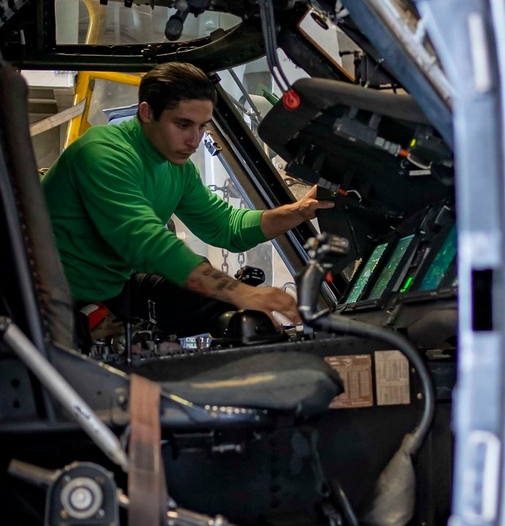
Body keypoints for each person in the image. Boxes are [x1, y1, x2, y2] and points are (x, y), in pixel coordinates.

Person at [43, 61, 332, 336]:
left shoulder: (176, 169)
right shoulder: (102, 153)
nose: (194, 140)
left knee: (231, 310)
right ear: (146, 113)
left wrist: (298, 211)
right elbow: (146, 242)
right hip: (49, 299)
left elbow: (226, 226)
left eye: (202, 126)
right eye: (183, 125)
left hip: (110, 289)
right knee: (228, 294)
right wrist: (243, 293)